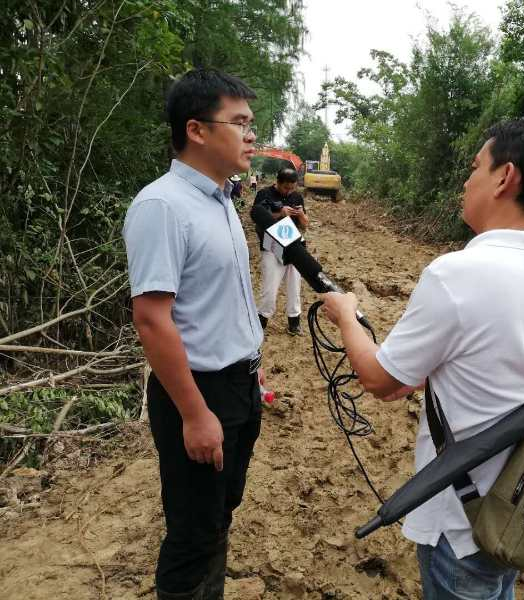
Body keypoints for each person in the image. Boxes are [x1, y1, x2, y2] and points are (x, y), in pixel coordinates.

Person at [322, 119, 524, 599]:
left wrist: (347, 318)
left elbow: (379, 380)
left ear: (505, 178)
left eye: (476, 166)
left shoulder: (458, 273)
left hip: (461, 518)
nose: (466, 180)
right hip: (516, 503)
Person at [123, 69, 264, 600]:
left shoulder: (221, 200)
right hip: (199, 394)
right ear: (198, 130)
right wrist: (195, 414)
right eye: (241, 123)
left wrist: (252, 361)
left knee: (219, 513)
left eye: (252, 124)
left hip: (238, 386)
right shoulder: (163, 206)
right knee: (191, 533)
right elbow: (152, 319)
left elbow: (223, 300)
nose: (252, 136)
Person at [250, 168, 309, 335]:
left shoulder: (297, 197)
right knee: (270, 287)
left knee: (294, 285)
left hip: (293, 242)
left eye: (292, 188)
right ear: (277, 182)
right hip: (272, 244)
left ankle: (294, 322)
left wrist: (302, 215)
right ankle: (261, 321)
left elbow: (304, 224)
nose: (289, 191)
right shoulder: (264, 194)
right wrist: (279, 213)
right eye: (285, 188)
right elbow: (256, 217)